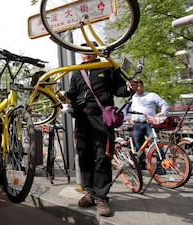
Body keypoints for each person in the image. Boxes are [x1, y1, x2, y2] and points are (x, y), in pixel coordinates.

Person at [65, 43, 136, 217]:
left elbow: (119, 89)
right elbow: (73, 94)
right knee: (84, 157)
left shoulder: (106, 66)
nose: (86, 54)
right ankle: (90, 192)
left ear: (95, 52)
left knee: (102, 157)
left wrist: (128, 88)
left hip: (101, 119)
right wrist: (65, 96)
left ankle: (102, 196)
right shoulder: (76, 71)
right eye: (83, 51)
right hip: (82, 120)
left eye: (89, 51)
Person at [126, 79, 170, 170]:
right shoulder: (132, 98)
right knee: (139, 146)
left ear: (142, 86)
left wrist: (158, 117)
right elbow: (125, 110)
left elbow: (165, 105)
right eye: (135, 86)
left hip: (149, 124)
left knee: (156, 144)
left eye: (138, 85)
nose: (137, 88)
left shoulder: (151, 95)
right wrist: (128, 118)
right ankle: (141, 165)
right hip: (136, 125)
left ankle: (160, 166)